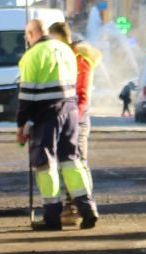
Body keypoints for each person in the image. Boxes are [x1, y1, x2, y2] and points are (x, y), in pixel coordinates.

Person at [15, 18, 96, 230]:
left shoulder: (31, 56)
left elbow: (26, 97)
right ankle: (87, 209)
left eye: (27, 36)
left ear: (31, 34)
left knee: (45, 164)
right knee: (72, 160)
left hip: (46, 114)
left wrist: (21, 125)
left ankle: (52, 217)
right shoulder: (66, 50)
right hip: (69, 111)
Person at [50, 21, 100, 187]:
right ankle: (71, 203)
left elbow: (82, 94)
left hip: (76, 119)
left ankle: (82, 204)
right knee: (66, 164)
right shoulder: (63, 58)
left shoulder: (79, 58)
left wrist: (73, 120)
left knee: (78, 163)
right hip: (65, 118)